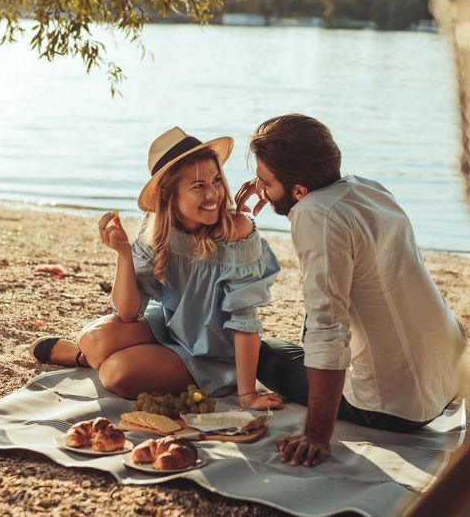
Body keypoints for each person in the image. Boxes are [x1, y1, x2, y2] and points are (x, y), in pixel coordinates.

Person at [234, 114, 466, 467]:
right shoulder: (366, 188)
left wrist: (316, 434)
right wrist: (273, 186)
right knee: (293, 343)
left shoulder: (316, 215)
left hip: (393, 407)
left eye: (265, 182)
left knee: (261, 355)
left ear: (299, 190)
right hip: (448, 376)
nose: (260, 189)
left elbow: (329, 329)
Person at [31, 127, 282, 410]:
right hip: (171, 326)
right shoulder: (156, 228)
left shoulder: (238, 232)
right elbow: (127, 312)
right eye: (198, 186)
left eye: (216, 181)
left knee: (116, 373)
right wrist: (123, 255)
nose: (213, 194)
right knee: (92, 339)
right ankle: (84, 356)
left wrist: (247, 395)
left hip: (214, 354)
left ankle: (93, 359)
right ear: (168, 194)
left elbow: (245, 320)